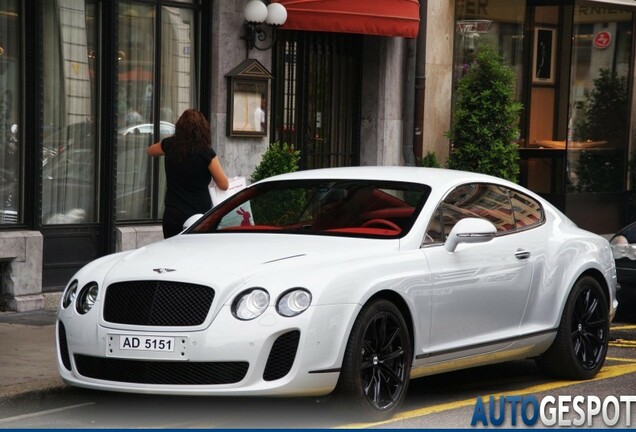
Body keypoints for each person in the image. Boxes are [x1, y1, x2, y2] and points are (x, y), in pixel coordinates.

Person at [147, 109, 229, 238]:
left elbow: (150, 150)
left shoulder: (169, 145)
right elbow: (224, 184)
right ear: (203, 130)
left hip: (172, 213)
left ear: (180, 127)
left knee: (171, 253)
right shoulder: (206, 152)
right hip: (199, 215)